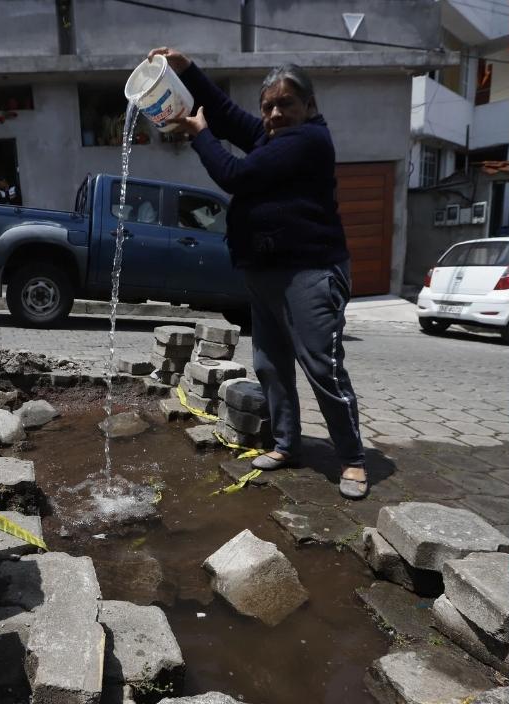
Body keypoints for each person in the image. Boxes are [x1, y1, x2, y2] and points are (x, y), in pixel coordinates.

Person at [148, 46, 368, 499]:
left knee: (322, 367)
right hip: (266, 272)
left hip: (309, 271)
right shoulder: (272, 135)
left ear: (309, 107)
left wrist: (198, 134)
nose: (274, 112)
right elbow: (228, 115)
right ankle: (288, 445)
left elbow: (234, 174)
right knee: (270, 365)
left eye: (285, 103)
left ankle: (352, 460)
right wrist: (188, 71)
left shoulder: (308, 141)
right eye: (268, 105)